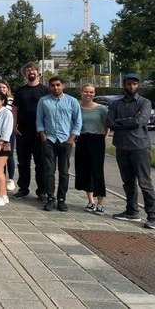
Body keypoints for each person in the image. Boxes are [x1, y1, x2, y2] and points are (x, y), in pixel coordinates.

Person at [108, 73, 155, 229]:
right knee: (128, 182)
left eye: (134, 84)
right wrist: (130, 121)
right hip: (121, 147)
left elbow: (141, 121)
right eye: (129, 83)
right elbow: (110, 123)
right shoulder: (116, 104)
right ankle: (132, 211)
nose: (132, 86)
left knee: (144, 183)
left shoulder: (145, 103)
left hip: (139, 147)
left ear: (138, 85)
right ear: (124, 85)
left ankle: (153, 215)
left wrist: (120, 121)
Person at [36, 76, 82, 212]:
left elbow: (78, 121)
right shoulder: (44, 101)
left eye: (58, 85)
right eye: (52, 85)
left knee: (64, 172)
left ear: (63, 86)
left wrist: (71, 139)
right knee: (49, 171)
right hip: (49, 140)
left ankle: (62, 199)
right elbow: (39, 120)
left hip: (65, 140)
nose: (55, 88)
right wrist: (43, 137)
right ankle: (50, 198)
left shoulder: (72, 101)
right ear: (49, 87)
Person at [12, 62, 49, 201]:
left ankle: (42, 191)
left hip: (40, 133)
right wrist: (14, 126)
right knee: (23, 163)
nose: (30, 72)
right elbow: (15, 109)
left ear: (38, 72)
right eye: (28, 70)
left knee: (41, 163)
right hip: (23, 132)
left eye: (33, 69)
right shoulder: (20, 91)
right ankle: (23, 189)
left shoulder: (45, 90)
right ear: (25, 74)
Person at [75, 84, 108, 215]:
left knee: (97, 171)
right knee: (85, 171)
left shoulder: (101, 109)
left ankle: (100, 203)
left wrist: (102, 138)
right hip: (82, 139)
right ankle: (90, 201)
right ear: (81, 92)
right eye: (86, 92)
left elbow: (106, 126)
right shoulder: (77, 108)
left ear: (94, 93)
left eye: (91, 92)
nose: (88, 94)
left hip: (97, 140)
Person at [0, 80, 16, 191]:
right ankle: (1, 178)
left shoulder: (12, 100)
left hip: (8, 132)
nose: (2, 89)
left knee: (9, 155)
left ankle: (10, 179)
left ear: (7, 89)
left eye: (4, 87)